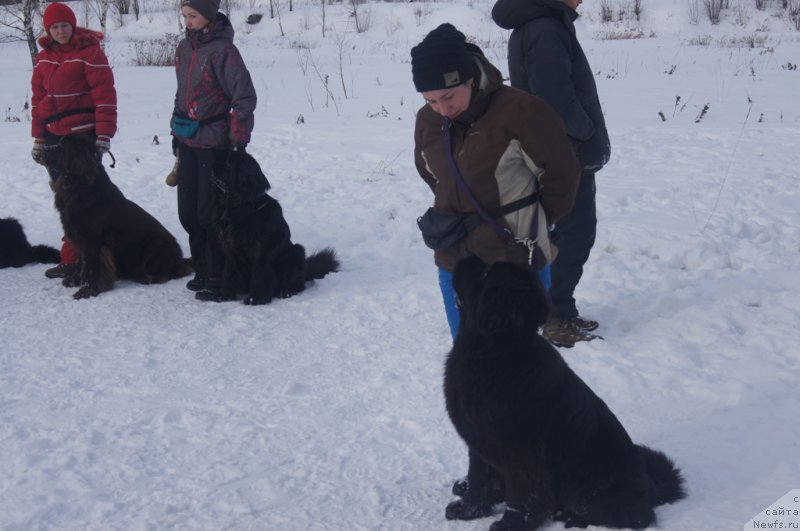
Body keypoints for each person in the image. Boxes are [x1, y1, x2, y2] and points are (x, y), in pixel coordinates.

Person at [412, 23, 581, 341]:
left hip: (515, 257)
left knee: (517, 355)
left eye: (448, 96)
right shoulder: (428, 120)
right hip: (454, 261)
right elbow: (429, 172)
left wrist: (534, 220)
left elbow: (562, 175)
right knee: (469, 351)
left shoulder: (521, 111)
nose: (442, 109)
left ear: (471, 78)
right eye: (431, 100)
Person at [492, 0, 611, 348]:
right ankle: (556, 315)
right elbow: (554, 96)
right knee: (576, 233)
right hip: (565, 151)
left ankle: (554, 308)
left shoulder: (537, 22)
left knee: (560, 231)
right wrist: (585, 131)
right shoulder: (544, 27)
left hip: (554, 148)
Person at [171, 0, 256, 300]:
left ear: (208, 17)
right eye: (184, 16)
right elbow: (182, 95)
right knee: (188, 212)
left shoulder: (224, 52)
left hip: (215, 143)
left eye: (193, 16)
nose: (187, 21)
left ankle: (220, 274)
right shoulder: (184, 49)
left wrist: (237, 142)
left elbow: (243, 98)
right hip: (189, 141)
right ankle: (203, 269)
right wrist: (176, 132)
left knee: (210, 213)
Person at [30, 2, 117, 279]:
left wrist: (103, 136)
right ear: (48, 30)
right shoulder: (43, 58)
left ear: (73, 25)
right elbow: (38, 100)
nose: (60, 31)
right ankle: (71, 258)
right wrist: (38, 138)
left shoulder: (90, 54)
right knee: (64, 198)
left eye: (64, 25)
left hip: (82, 139)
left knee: (85, 200)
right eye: (54, 27)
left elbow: (105, 97)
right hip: (54, 137)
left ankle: (91, 260)